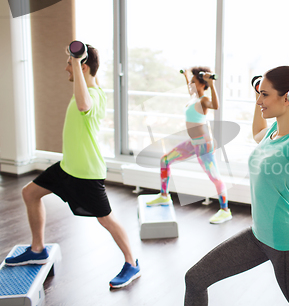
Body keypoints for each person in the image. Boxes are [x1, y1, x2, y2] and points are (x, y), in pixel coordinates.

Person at [184, 66, 289, 305]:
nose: (259, 100)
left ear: (286, 98)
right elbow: (257, 132)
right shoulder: (273, 130)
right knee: (195, 279)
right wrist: (258, 99)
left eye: (264, 95)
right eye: (259, 94)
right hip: (259, 236)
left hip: (288, 246)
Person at [4, 43, 141, 288]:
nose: (66, 67)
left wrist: (75, 62)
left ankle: (132, 264)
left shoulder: (95, 96)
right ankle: (37, 249)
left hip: (86, 173)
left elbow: (83, 105)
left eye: (70, 63)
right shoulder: (84, 90)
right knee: (30, 193)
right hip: (67, 167)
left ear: (83, 66)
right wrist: (77, 61)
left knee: (106, 219)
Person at [142, 67, 231, 224]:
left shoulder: (203, 100)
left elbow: (215, 106)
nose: (190, 85)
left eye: (193, 82)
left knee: (215, 177)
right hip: (193, 143)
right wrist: (187, 75)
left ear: (202, 85)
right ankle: (164, 196)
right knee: (165, 160)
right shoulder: (194, 98)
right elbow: (190, 88)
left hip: (204, 144)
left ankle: (225, 210)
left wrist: (213, 84)